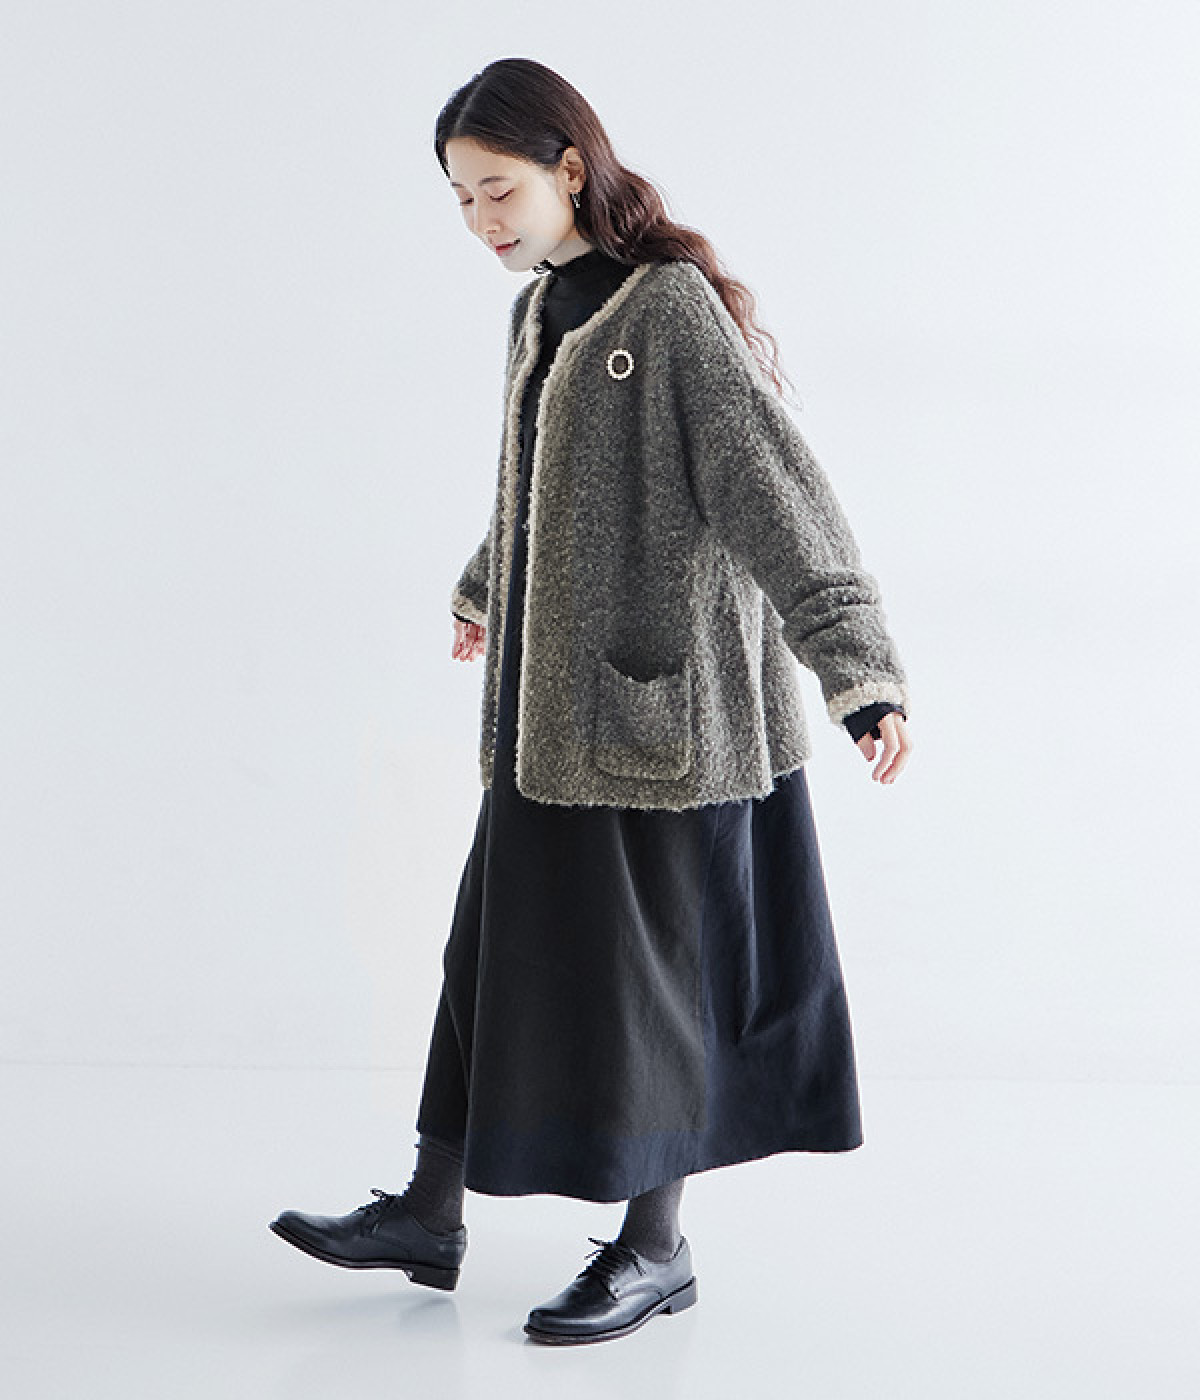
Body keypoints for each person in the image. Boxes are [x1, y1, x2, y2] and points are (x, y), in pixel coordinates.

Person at [269, 57, 913, 1347]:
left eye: (498, 191)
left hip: (661, 724)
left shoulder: (669, 311)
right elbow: (537, 489)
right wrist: (483, 582)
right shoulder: (541, 311)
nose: (480, 222)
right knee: (483, 957)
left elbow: (779, 495)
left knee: (649, 988)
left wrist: (859, 668)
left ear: (572, 168)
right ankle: (432, 1212)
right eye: (461, 199)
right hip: (542, 722)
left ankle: (657, 1247)